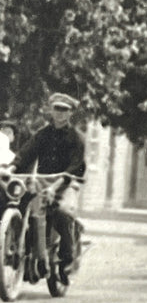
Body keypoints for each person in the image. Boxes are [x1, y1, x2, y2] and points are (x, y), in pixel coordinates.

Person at [12, 93, 85, 283]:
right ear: (51, 110)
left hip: (67, 183)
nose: (60, 114)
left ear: (70, 113)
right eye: (57, 109)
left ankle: (67, 259)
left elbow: (76, 166)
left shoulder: (76, 138)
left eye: (64, 110)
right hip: (43, 181)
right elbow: (26, 153)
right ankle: (25, 252)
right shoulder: (43, 134)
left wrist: (57, 185)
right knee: (21, 203)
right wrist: (12, 168)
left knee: (62, 213)